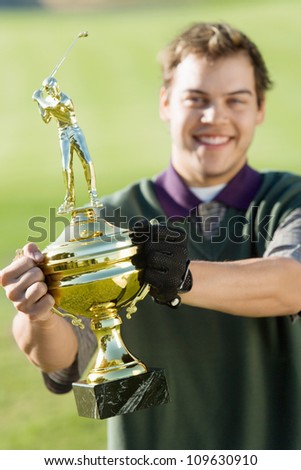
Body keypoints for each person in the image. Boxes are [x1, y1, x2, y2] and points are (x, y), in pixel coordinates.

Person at [2, 22, 301, 450]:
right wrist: (40, 313)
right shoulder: (110, 220)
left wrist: (180, 276)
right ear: (165, 103)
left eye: (235, 100)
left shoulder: (289, 199)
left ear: (260, 109)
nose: (214, 117)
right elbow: (61, 359)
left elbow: (291, 282)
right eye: (195, 99)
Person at [32, 76, 101, 214]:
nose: (53, 91)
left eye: (53, 88)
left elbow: (52, 107)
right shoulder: (49, 100)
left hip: (74, 131)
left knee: (86, 160)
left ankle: (93, 194)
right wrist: (39, 104)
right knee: (65, 166)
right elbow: (46, 118)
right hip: (62, 133)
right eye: (49, 90)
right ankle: (69, 200)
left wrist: (38, 98)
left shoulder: (65, 99)